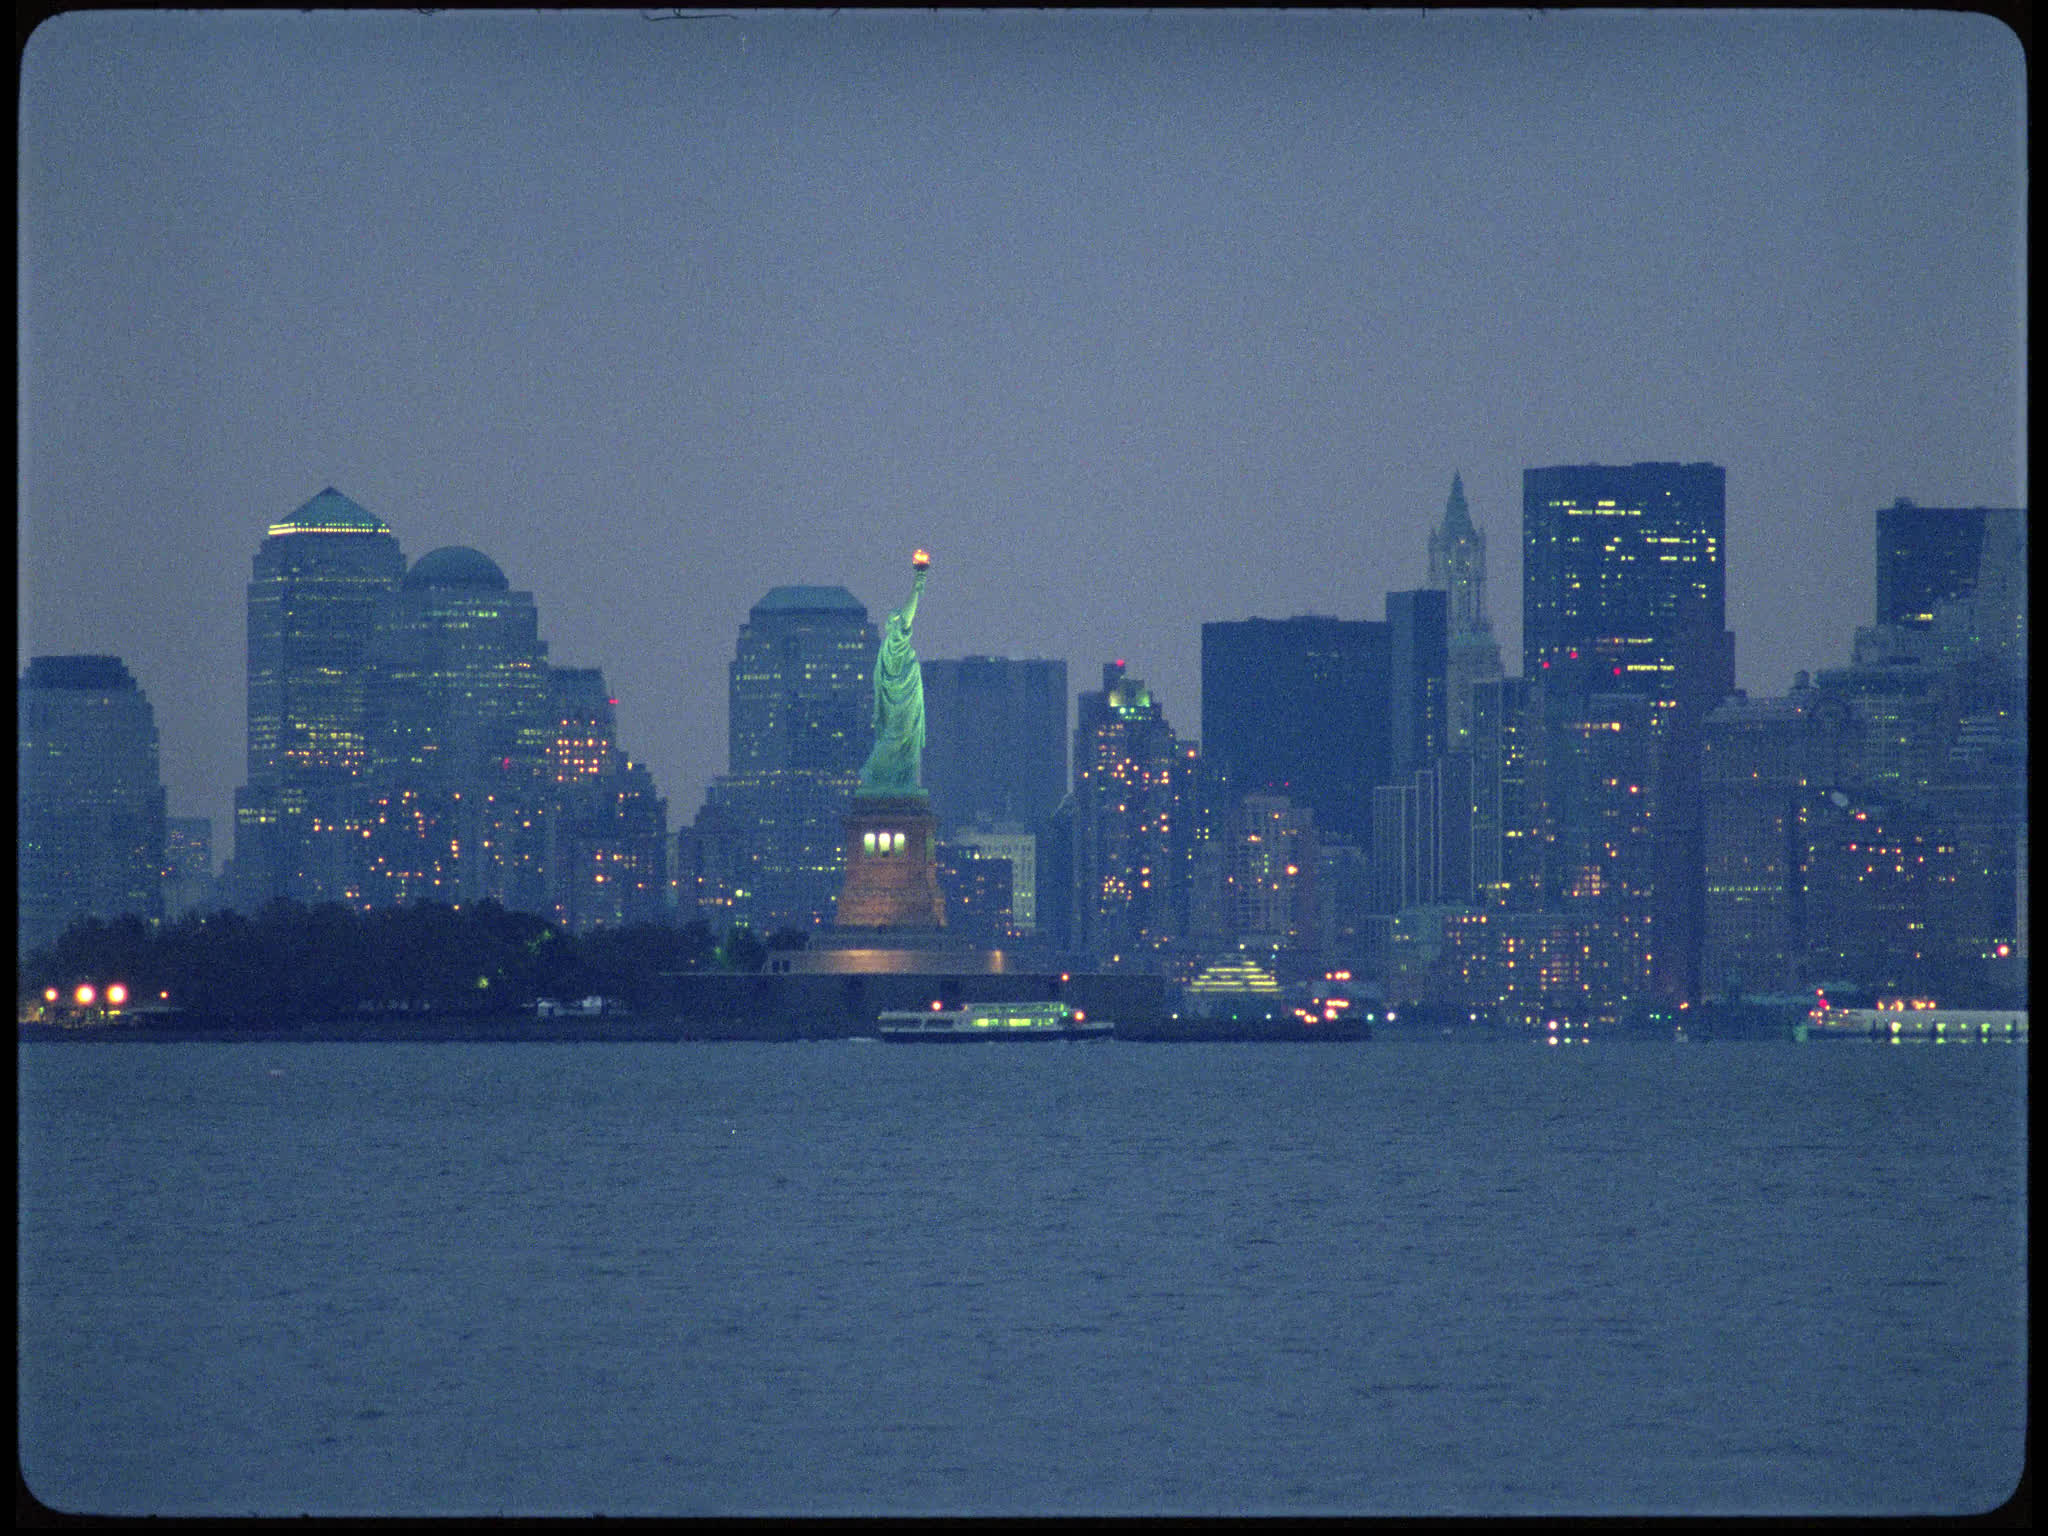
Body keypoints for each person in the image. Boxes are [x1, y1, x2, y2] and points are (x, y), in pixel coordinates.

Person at [857, 553, 929, 796]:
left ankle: (900, 779)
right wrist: (917, 587)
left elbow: (907, 617)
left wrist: (918, 586)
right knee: (895, 738)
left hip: (906, 700)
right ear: (892, 628)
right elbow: (908, 615)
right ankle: (873, 774)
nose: (901, 625)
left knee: (905, 742)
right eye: (895, 622)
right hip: (897, 703)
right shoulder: (892, 647)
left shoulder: (894, 647)